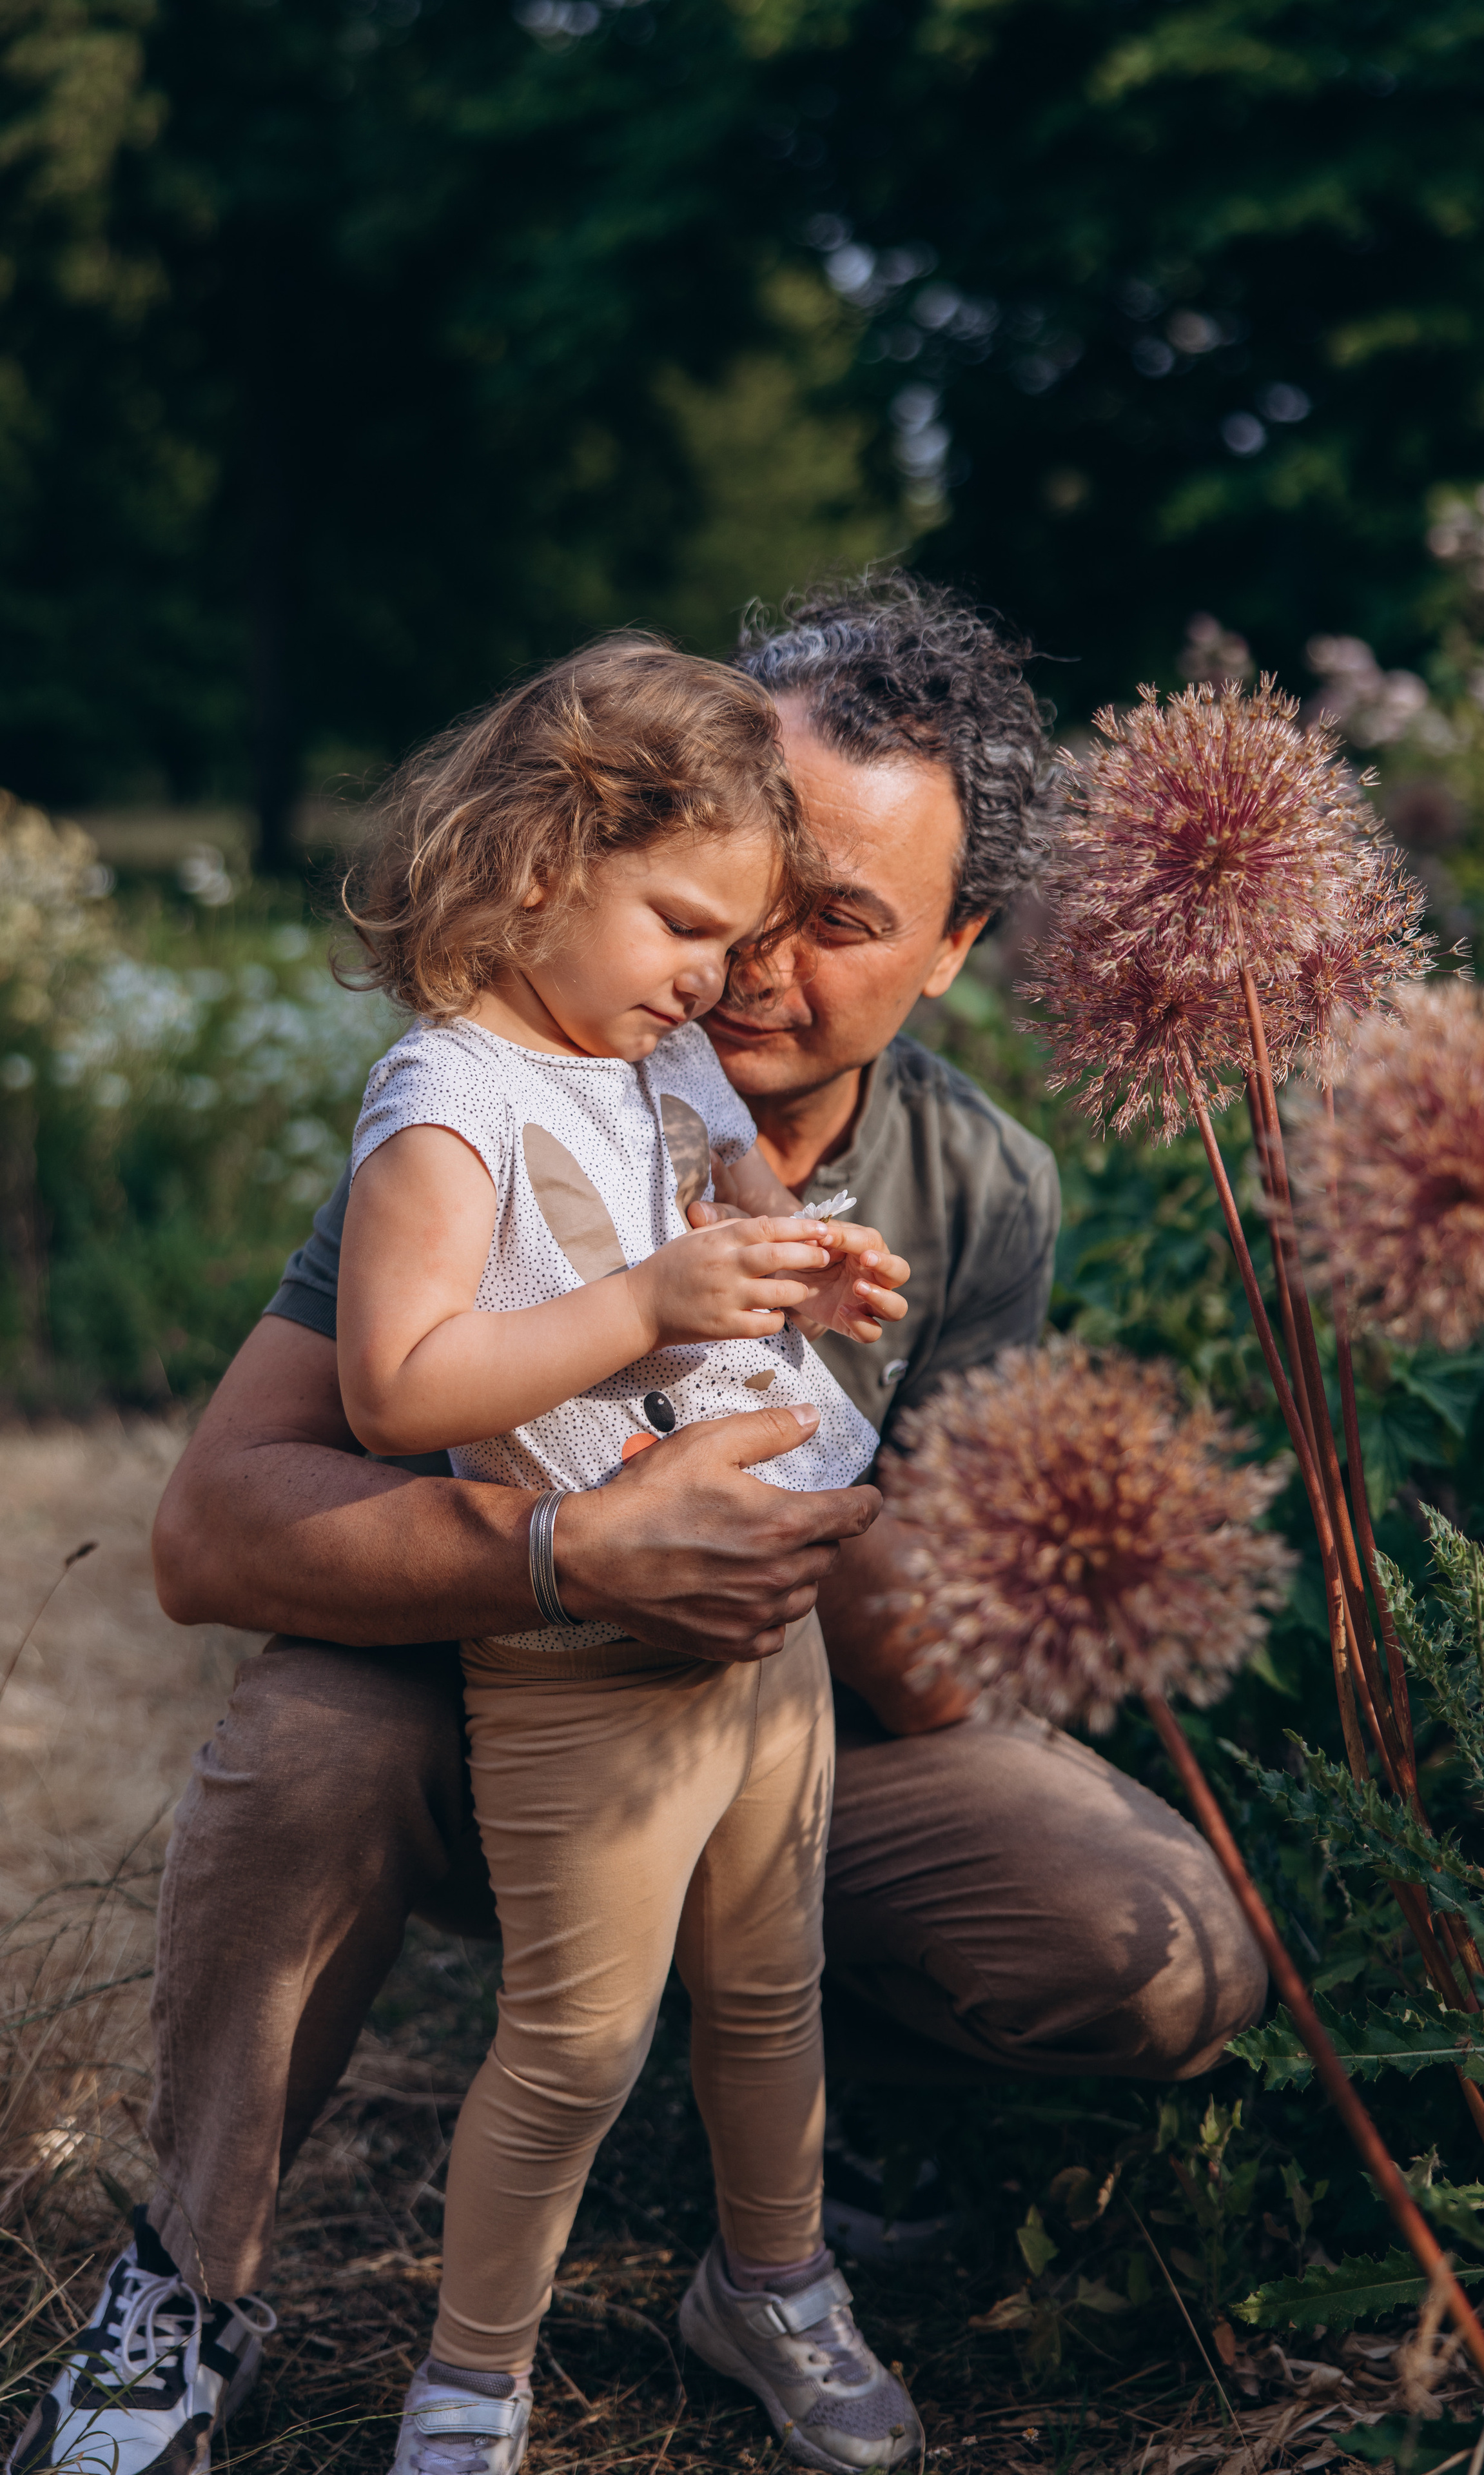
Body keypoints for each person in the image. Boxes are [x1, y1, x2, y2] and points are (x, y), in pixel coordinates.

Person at [5, 577, 1266, 2475]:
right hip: (494, 1698)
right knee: (311, 1736)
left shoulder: (980, 1187)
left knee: (1161, 1947)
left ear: (956, 950)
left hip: (782, 1722)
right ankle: (190, 2275)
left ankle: (758, 2152)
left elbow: (936, 1678)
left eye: (835, 920)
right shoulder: (509, 1083)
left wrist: (855, 1489)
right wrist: (568, 1551)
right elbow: (210, 1538)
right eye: (732, 900)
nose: (751, 966)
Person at [335, 638, 919, 2475]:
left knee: (767, 1986)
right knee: (578, 2040)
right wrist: (650, 1300)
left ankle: (775, 2282)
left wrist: (805, 1259)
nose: (713, 983)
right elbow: (396, 1383)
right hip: (583, 1664)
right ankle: (471, 2380)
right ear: (535, 866)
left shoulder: (661, 1061)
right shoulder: (447, 1103)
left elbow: (742, 1215)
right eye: (683, 926)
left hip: (766, 1621)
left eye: (734, 945)